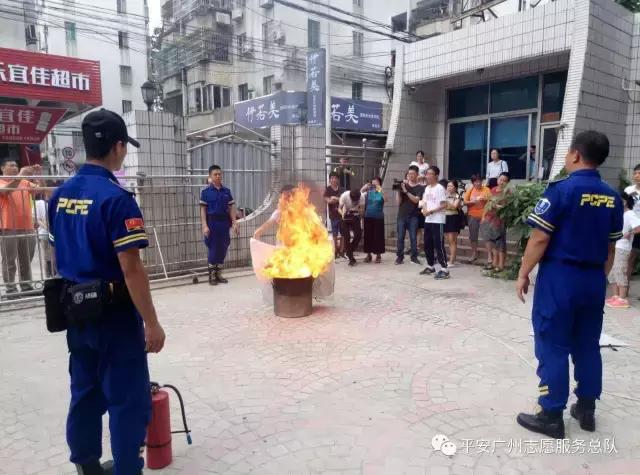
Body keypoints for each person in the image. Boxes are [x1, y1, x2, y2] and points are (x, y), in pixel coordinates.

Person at [47, 108, 166, 474]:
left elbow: (57, 256)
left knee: (84, 392)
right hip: (114, 318)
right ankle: (127, 468)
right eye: (124, 146)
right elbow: (132, 270)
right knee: (127, 399)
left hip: (76, 314)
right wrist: (152, 323)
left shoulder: (59, 196)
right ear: (117, 147)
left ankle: (86, 464)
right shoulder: (117, 199)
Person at [515, 131, 623, 439]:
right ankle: (586, 409)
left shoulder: (560, 191)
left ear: (575, 155)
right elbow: (611, 248)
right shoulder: (612, 196)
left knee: (553, 343)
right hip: (593, 279)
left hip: (561, 278)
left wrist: (523, 273)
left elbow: (539, 237)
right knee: (588, 345)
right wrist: (597, 279)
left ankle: (551, 414)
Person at [0, 158, 40, 297]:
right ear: (2, 168)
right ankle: (10, 289)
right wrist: (21, 175)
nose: (15, 167)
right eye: (11, 165)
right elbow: (6, 191)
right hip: (8, 227)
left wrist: (37, 175)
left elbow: (40, 190)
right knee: (9, 260)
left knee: (26, 259)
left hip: (27, 226)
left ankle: (26, 286)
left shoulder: (23, 181)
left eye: (16, 165)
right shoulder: (1, 181)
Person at [200, 165, 239, 286]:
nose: (218, 176)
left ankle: (219, 273)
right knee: (213, 247)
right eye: (215, 174)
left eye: (219, 174)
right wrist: (204, 225)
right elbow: (202, 210)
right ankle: (212, 275)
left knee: (223, 246)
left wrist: (234, 222)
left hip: (224, 222)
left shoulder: (226, 191)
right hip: (212, 222)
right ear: (210, 176)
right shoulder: (206, 192)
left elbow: (231, 208)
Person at [605, 192, 640, 309]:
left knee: (620, 271)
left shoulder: (630, 214)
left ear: (624, 202)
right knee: (612, 273)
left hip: (623, 248)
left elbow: (638, 227)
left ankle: (623, 298)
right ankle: (616, 296)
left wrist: (628, 234)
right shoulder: (620, 214)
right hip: (615, 246)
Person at [418, 166, 449, 279]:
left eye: (430, 174)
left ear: (436, 175)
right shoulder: (427, 188)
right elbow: (424, 202)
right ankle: (431, 266)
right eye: (427, 174)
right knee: (427, 244)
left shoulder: (440, 188)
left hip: (438, 220)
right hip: (428, 219)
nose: (428, 176)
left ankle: (444, 269)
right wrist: (424, 210)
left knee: (438, 244)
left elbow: (444, 204)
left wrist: (430, 211)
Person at [481, 172, 511, 272]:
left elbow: (507, 207)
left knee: (500, 242)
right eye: (500, 179)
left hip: (500, 220)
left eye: (504, 180)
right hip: (490, 219)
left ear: (508, 182)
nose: (501, 182)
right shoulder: (493, 189)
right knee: (492, 241)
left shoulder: (508, 192)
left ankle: (501, 265)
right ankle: (494, 263)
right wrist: (484, 216)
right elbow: (488, 204)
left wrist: (495, 206)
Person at [395, 165, 424, 265]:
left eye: (412, 174)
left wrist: (406, 191)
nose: (410, 175)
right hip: (402, 215)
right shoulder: (403, 186)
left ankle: (414, 257)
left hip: (414, 216)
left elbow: (416, 200)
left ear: (417, 175)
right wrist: (399, 191)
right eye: (409, 173)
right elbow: (398, 203)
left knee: (413, 237)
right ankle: (399, 257)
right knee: (400, 237)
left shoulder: (420, 187)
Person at [463, 175, 490, 264]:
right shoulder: (470, 190)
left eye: (479, 181)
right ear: (473, 182)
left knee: (487, 235)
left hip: (484, 215)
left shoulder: (486, 189)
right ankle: (474, 253)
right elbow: (465, 202)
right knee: (473, 236)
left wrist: (485, 199)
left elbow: (491, 201)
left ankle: (490, 256)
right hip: (472, 215)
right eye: (476, 182)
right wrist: (472, 202)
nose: (478, 183)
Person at [360, 177, 385, 263]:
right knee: (368, 236)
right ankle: (368, 255)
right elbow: (359, 194)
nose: (374, 184)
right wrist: (364, 187)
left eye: (376, 183)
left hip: (378, 217)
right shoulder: (368, 192)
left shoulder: (380, 191)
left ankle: (378, 255)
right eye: (373, 183)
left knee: (378, 236)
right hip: (368, 216)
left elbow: (386, 199)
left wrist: (379, 188)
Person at [34, 184, 56, 278]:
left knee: (55, 254)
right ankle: (48, 275)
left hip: (55, 233)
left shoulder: (56, 202)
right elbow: (37, 218)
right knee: (47, 255)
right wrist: (46, 227)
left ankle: (55, 274)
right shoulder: (39, 203)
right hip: (44, 233)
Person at [338, 188, 364, 266]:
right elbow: (339, 208)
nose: (354, 202)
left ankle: (349, 252)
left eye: (356, 201)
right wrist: (342, 213)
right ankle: (351, 258)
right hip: (345, 216)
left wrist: (358, 210)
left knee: (358, 235)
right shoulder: (344, 196)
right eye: (353, 201)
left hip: (355, 216)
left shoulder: (362, 197)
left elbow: (362, 211)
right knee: (347, 237)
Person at [624, 163, 640, 278]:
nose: (636, 176)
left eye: (639, 173)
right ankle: (624, 293)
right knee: (629, 259)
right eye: (635, 173)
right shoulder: (628, 190)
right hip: (632, 229)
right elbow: (622, 206)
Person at [324, 172, 343, 259]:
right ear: (330, 179)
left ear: (338, 179)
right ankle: (335, 252)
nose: (333, 179)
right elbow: (328, 201)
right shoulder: (328, 189)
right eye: (332, 178)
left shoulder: (342, 189)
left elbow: (343, 200)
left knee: (343, 234)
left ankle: (342, 252)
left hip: (342, 215)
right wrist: (338, 199)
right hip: (333, 215)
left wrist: (334, 198)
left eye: (335, 178)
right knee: (334, 234)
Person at [444, 180, 462, 267]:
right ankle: (452, 258)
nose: (449, 188)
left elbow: (454, 207)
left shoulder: (457, 196)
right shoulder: (444, 196)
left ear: (455, 188)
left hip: (453, 219)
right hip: (445, 218)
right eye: (448, 186)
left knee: (452, 240)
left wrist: (446, 203)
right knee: (448, 240)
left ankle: (452, 261)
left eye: (451, 186)